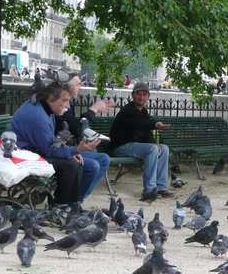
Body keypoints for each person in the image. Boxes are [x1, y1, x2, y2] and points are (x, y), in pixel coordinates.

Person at [10, 80, 102, 223]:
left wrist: (68, 149)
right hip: (24, 157)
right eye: (65, 101)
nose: (68, 105)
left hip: (34, 152)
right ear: (51, 99)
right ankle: (60, 209)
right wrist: (76, 149)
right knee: (71, 164)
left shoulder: (45, 108)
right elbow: (49, 151)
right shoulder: (39, 116)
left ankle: (71, 205)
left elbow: (50, 144)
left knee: (91, 163)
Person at [54, 70, 114, 202]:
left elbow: (75, 125)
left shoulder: (68, 102)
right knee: (93, 165)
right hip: (58, 150)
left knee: (104, 159)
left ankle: (77, 200)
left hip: (68, 147)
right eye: (78, 84)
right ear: (68, 86)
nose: (80, 87)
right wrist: (93, 110)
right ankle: (71, 202)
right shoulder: (59, 103)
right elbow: (77, 127)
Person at [109, 81, 174, 201]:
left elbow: (146, 132)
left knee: (163, 148)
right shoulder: (129, 110)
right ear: (132, 95)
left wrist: (155, 144)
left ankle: (161, 188)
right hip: (121, 147)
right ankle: (149, 190)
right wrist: (155, 124)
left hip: (135, 147)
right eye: (138, 94)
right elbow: (140, 124)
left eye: (144, 94)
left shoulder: (143, 111)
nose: (141, 97)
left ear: (148, 96)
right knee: (152, 149)